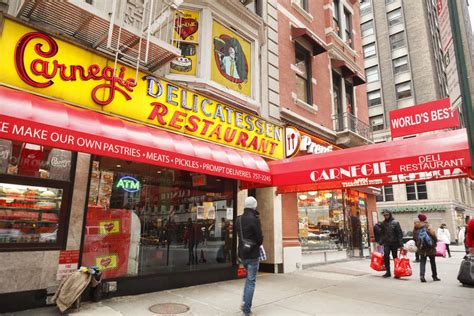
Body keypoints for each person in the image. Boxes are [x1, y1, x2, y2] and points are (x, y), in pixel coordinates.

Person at [237, 196, 263, 316]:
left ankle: (244, 302)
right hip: (252, 254)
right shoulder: (255, 219)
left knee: (248, 280)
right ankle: (246, 310)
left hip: (242, 253)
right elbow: (259, 239)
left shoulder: (239, 219)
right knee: (251, 281)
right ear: (254, 206)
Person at [413, 214, 440, 283]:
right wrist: (436, 240)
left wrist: (418, 244)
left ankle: (422, 276)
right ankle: (434, 276)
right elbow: (433, 234)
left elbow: (414, 237)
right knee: (432, 262)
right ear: (425, 219)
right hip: (430, 246)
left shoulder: (416, 226)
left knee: (422, 261)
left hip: (421, 247)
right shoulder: (428, 225)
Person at [379, 210, 403, 278]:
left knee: (395, 257)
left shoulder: (395, 222)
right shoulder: (383, 223)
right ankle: (388, 272)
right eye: (384, 215)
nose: (386, 216)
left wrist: (401, 244)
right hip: (386, 243)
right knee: (386, 256)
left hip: (394, 243)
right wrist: (380, 241)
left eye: (387, 215)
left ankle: (397, 272)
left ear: (390, 215)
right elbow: (382, 234)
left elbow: (399, 233)